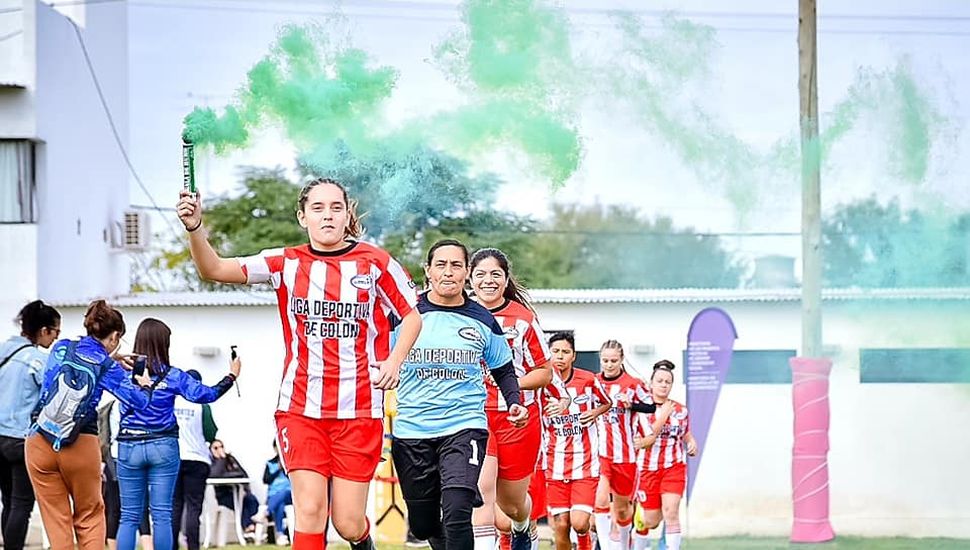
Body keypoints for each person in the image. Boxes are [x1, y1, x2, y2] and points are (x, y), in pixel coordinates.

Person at [177, 177, 421, 550]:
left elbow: (412, 316)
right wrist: (196, 229)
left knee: (347, 521)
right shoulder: (285, 262)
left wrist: (394, 360)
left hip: (358, 409)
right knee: (309, 508)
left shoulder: (375, 263)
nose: (327, 216)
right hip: (300, 408)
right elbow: (215, 269)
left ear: (346, 215)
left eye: (336, 208)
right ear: (302, 216)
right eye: (317, 208)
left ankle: (363, 541)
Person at [391, 239, 526, 550]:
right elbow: (371, 356)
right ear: (428, 271)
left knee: (457, 512)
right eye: (441, 265)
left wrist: (515, 402)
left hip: (464, 426)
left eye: (456, 265)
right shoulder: (404, 315)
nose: (448, 272)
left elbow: (503, 368)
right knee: (424, 525)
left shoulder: (481, 318)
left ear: (467, 272)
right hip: (412, 429)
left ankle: (461, 499)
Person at [26, 299, 152, 550]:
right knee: (90, 517)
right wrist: (143, 383)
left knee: (56, 521)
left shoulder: (60, 347)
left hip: (39, 441)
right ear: (115, 336)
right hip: (79, 442)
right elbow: (139, 403)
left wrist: (111, 360)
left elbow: (60, 374)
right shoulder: (107, 367)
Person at [114, 318, 240, 550]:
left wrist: (114, 358)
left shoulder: (121, 373)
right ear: (164, 344)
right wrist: (231, 376)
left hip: (129, 444)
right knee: (162, 514)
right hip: (163, 445)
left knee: (129, 516)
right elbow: (207, 395)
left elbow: (94, 370)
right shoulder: (174, 376)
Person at [467, 248, 561, 550]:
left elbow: (544, 374)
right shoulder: (460, 314)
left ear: (506, 279)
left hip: (518, 418)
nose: (488, 280)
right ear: (470, 278)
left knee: (512, 505)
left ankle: (524, 529)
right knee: (480, 489)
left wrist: (510, 383)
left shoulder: (522, 319)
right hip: (474, 416)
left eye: (495, 274)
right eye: (480, 274)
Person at [0, 300, 60, 550]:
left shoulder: (4, 352)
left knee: (8, 501)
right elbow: (52, 399)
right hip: (20, 439)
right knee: (22, 504)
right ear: (43, 330)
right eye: (56, 332)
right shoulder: (37, 360)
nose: (56, 339)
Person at [542, 332, 611, 550]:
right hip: (554, 465)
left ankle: (586, 540)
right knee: (561, 525)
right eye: (555, 351)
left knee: (580, 523)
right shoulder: (541, 382)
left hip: (585, 464)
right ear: (548, 354)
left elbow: (606, 402)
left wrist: (595, 412)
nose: (560, 356)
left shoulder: (588, 380)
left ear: (573, 356)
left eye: (565, 352)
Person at [593, 340, 657, 550]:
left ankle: (623, 543)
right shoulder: (593, 383)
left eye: (613, 360)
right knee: (601, 501)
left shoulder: (633, 384)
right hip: (600, 454)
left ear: (621, 360)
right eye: (605, 360)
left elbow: (650, 406)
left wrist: (632, 405)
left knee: (621, 511)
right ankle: (605, 545)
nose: (609, 364)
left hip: (625, 456)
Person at [632, 360, 696, 550]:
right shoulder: (641, 409)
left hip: (673, 467)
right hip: (647, 469)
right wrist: (662, 416)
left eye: (667, 382)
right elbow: (644, 440)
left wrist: (691, 442)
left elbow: (685, 433)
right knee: (652, 520)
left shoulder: (680, 410)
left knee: (672, 512)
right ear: (651, 383)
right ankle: (640, 521)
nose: (663, 385)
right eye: (659, 381)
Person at [172, 369, 220, 550]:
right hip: (198, 459)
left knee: (174, 506)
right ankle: (193, 546)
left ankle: (171, 546)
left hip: (174, 459)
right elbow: (211, 433)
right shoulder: (202, 406)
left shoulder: (173, 401)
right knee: (193, 507)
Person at [101, 398, 154, 550]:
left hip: (114, 459)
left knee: (114, 508)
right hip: (133, 459)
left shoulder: (109, 407)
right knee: (141, 507)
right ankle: (148, 547)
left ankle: (113, 547)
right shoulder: (139, 404)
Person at [209, 439, 260, 535]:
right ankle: (249, 528)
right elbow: (215, 475)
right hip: (224, 496)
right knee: (241, 505)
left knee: (252, 500)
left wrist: (245, 489)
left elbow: (242, 473)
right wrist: (221, 459)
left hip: (239, 493)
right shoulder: (212, 462)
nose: (219, 450)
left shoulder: (231, 459)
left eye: (221, 447)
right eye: (216, 448)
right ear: (211, 450)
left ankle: (249, 528)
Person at [263, 439, 293, 545]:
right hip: (274, 494)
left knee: (284, 493)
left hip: (289, 494)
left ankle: (266, 512)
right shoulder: (270, 463)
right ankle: (280, 535)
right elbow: (266, 480)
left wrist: (284, 468)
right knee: (279, 505)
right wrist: (278, 469)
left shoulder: (291, 461)